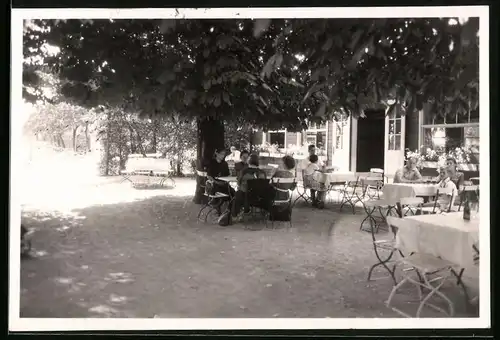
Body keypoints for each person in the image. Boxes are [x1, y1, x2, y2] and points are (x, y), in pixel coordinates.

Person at [231, 154, 268, 222]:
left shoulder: (244, 171)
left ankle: (235, 215)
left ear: (249, 161)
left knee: (237, 193)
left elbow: (239, 183)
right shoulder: (262, 173)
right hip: (259, 198)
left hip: (245, 197)